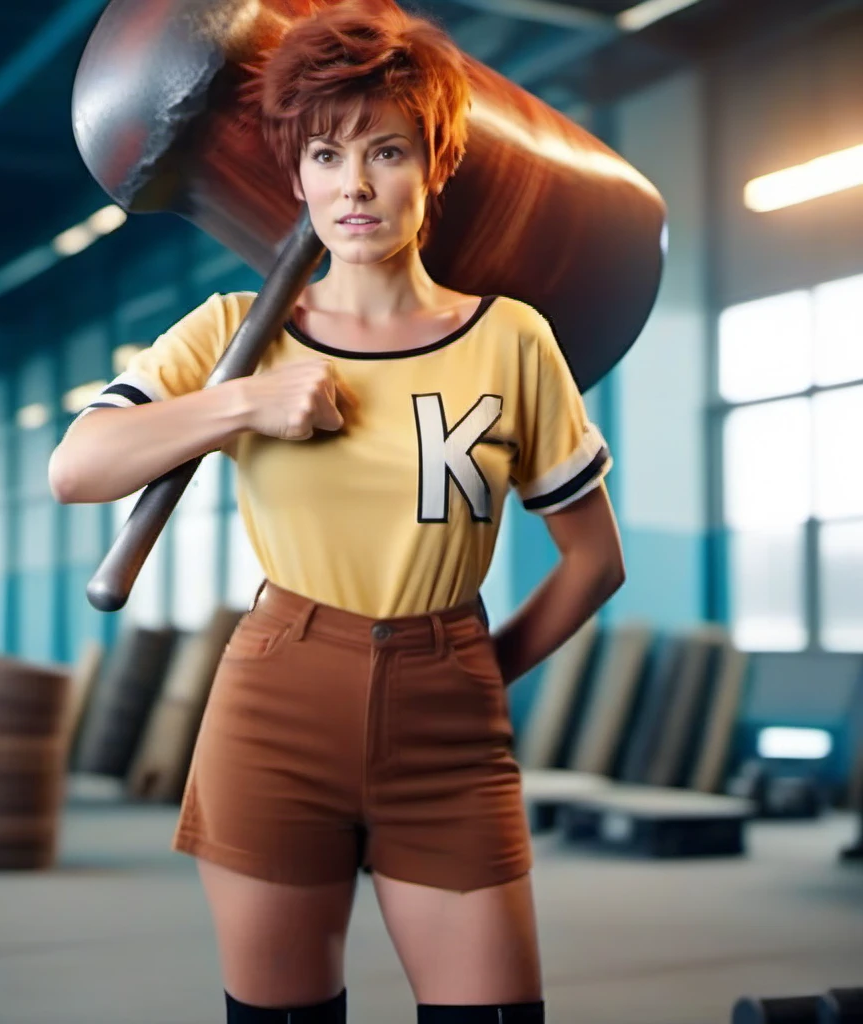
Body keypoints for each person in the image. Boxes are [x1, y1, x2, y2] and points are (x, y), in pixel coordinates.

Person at [48, 0, 625, 1020]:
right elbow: (78, 468)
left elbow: (592, 560)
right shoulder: (234, 334)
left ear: (436, 162)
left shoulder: (512, 341)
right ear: (295, 174)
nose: (353, 186)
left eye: (386, 151)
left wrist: (474, 675)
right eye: (324, 155)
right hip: (276, 701)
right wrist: (242, 402)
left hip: (448, 708)